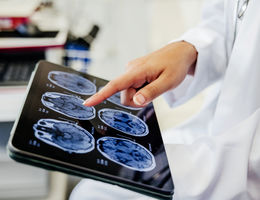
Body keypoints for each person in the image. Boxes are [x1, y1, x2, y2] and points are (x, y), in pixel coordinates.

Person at [70, 0, 260, 199]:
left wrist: (156, 166)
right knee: (92, 189)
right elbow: (234, 17)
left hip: (243, 164)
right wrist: (190, 49)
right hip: (220, 126)